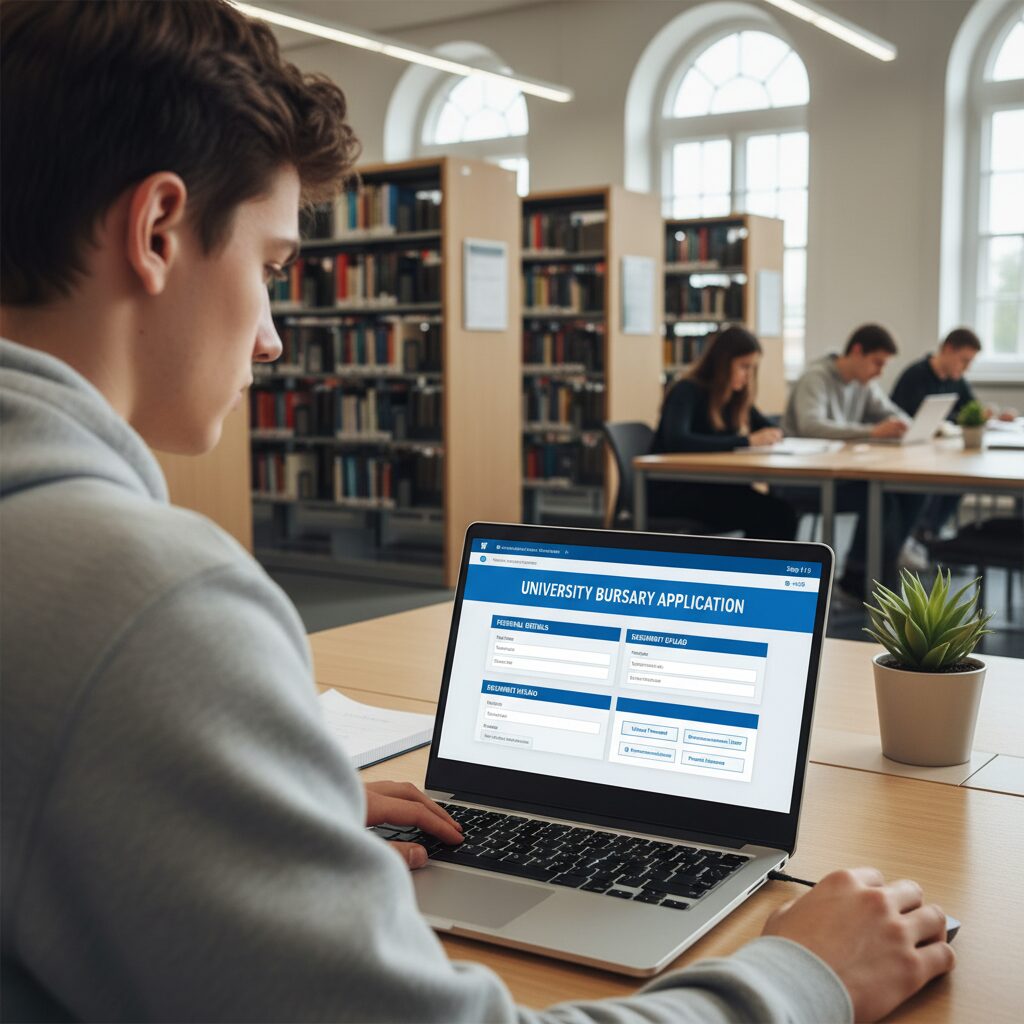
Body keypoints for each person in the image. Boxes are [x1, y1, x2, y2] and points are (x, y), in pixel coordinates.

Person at [0, 3, 954, 1021]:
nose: (275, 337)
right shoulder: (153, 606)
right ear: (156, 230)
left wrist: (245, 804)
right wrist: (801, 976)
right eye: (272, 266)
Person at [783, 325, 922, 597]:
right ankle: (867, 582)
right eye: (877, 362)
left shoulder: (863, 385)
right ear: (857, 351)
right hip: (804, 479)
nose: (880, 372)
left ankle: (865, 579)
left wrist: (909, 426)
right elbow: (811, 427)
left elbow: (894, 414)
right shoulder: (816, 378)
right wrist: (871, 431)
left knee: (909, 492)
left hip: (840, 474)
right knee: (880, 499)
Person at [649, 326, 797, 540]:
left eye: (752, 369)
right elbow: (678, 441)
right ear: (722, 363)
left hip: (712, 486)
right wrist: (746, 440)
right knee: (772, 514)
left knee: (779, 512)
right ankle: (758, 571)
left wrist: (773, 434)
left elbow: (767, 427)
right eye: (744, 367)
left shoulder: (734, 397)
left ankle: (760, 571)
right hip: (676, 489)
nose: (748, 376)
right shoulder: (687, 390)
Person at [891, 327, 1018, 541]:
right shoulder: (915, 376)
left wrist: (992, 416)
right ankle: (919, 536)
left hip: (942, 453)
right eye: (964, 360)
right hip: (912, 458)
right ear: (948, 349)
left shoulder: (956, 380)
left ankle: (930, 535)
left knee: (961, 478)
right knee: (933, 485)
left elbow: (973, 410)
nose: (966, 367)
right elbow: (905, 420)